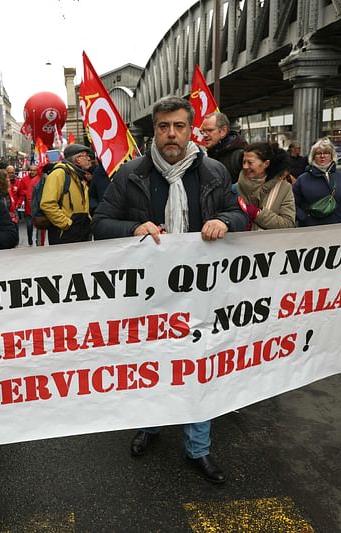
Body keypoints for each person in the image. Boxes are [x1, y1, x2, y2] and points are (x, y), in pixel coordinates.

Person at [92, 96, 247, 484]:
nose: (171, 134)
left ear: (190, 129)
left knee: (198, 369)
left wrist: (225, 222)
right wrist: (133, 229)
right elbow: (100, 223)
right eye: (164, 127)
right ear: (155, 130)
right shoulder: (130, 175)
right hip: (149, 297)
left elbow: (239, 214)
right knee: (152, 366)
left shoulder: (213, 172)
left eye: (178, 126)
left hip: (201, 296)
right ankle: (152, 426)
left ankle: (199, 448)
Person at [293, 137, 341, 227]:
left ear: (332, 156)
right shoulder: (302, 180)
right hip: (312, 231)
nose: (322, 156)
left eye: (326, 153)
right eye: (318, 153)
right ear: (313, 156)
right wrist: (305, 219)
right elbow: (293, 205)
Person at [40, 143, 92, 245]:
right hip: (64, 235)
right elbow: (47, 204)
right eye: (86, 156)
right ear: (78, 159)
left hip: (81, 233)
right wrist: (66, 224)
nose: (89, 159)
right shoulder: (59, 173)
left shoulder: (79, 176)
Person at [236, 142, 296, 230]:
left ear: (266, 164)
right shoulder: (236, 188)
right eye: (244, 162)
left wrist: (258, 214)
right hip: (241, 242)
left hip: (271, 242)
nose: (245, 166)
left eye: (250, 162)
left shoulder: (283, 188)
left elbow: (288, 224)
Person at [200, 111, 247, 183]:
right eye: (203, 131)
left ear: (223, 131)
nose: (205, 135)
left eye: (209, 130)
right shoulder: (212, 153)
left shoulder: (240, 156)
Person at [17, 165, 40, 246]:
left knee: (39, 226)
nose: (32, 172)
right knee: (29, 225)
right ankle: (30, 239)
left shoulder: (39, 179)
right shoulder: (24, 179)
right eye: (31, 170)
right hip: (28, 207)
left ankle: (38, 241)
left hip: (38, 208)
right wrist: (28, 193)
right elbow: (21, 191)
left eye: (34, 170)